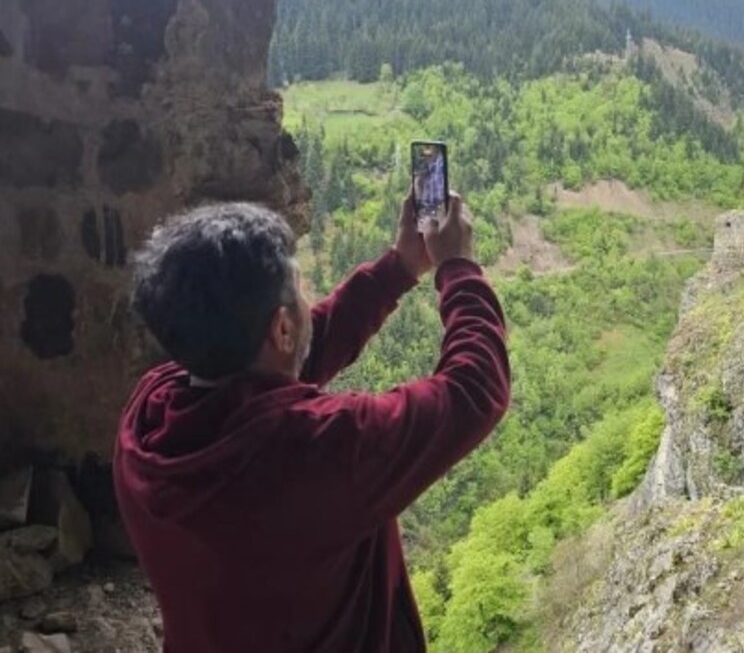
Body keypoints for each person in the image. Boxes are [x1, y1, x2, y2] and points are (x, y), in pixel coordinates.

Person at [113, 191, 509, 652]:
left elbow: (274, 367)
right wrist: (457, 270)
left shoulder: (146, 419)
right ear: (281, 329)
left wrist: (397, 270)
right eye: (302, 287)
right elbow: (475, 390)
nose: (309, 297)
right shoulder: (321, 449)